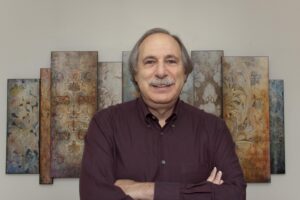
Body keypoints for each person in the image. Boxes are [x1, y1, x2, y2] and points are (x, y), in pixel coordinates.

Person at [80, 28, 246, 200]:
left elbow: (235, 195)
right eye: (150, 62)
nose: (161, 72)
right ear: (136, 74)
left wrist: (144, 190)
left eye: (171, 61)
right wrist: (201, 192)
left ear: (185, 73)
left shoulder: (214, 128)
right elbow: (94, 196)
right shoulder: (105, 124)